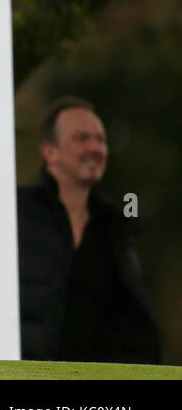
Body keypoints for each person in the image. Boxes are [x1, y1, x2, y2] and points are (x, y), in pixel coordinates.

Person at [16, 97, 161, 363]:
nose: (95, 148)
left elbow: (132, 325)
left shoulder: (114, 229)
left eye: (101, 140)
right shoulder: (15, 214)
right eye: (81, 138)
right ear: (50, 151)